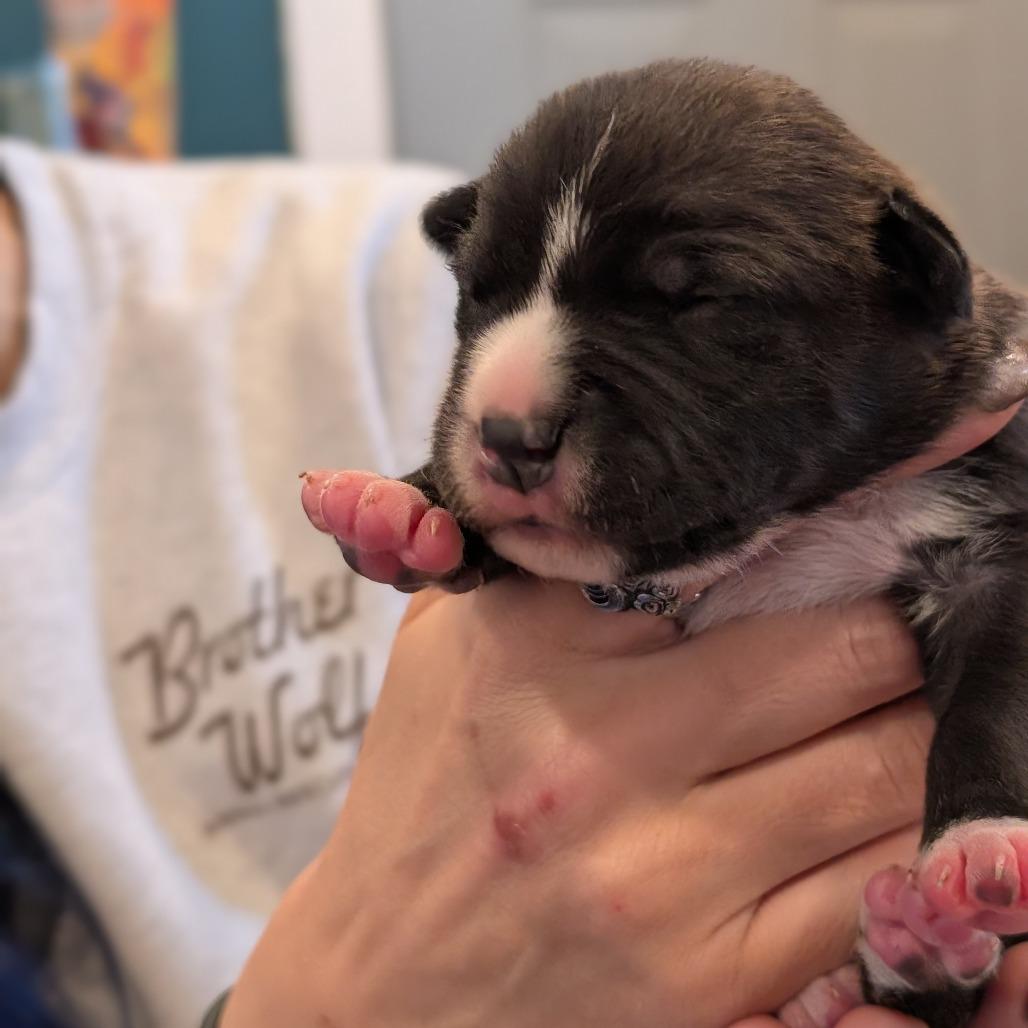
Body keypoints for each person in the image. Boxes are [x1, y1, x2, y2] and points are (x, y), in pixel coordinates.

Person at [0, 145, 1024, 1028]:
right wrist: (322, 1001)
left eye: (691, 304)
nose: (517, 410)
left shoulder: (351, 265)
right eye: (483, 300)